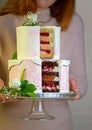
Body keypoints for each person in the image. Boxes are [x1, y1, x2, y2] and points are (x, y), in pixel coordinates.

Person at [0, 0, 88, 130]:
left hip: (58, 124)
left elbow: (82, 81)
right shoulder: (2, 23)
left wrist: (70, 84)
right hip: (10, 124)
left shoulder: (73, 23)